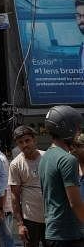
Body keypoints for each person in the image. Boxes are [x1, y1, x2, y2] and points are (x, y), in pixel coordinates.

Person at [37, 105, 84, 246]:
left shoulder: (46, 157)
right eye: (77, 128)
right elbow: (75, 203)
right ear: (67, 128)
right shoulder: (68, 160)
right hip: (68, 235)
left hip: (52, 232)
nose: (78, 132)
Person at [9, 126, 46, 247]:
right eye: (20, 142)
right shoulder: (15, 164)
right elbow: (14, 195)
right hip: (30, 219)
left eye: (27, 140)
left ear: (34, 140)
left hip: (51, 217)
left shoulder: (47, 158)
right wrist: (20, 225)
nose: (24, 145)